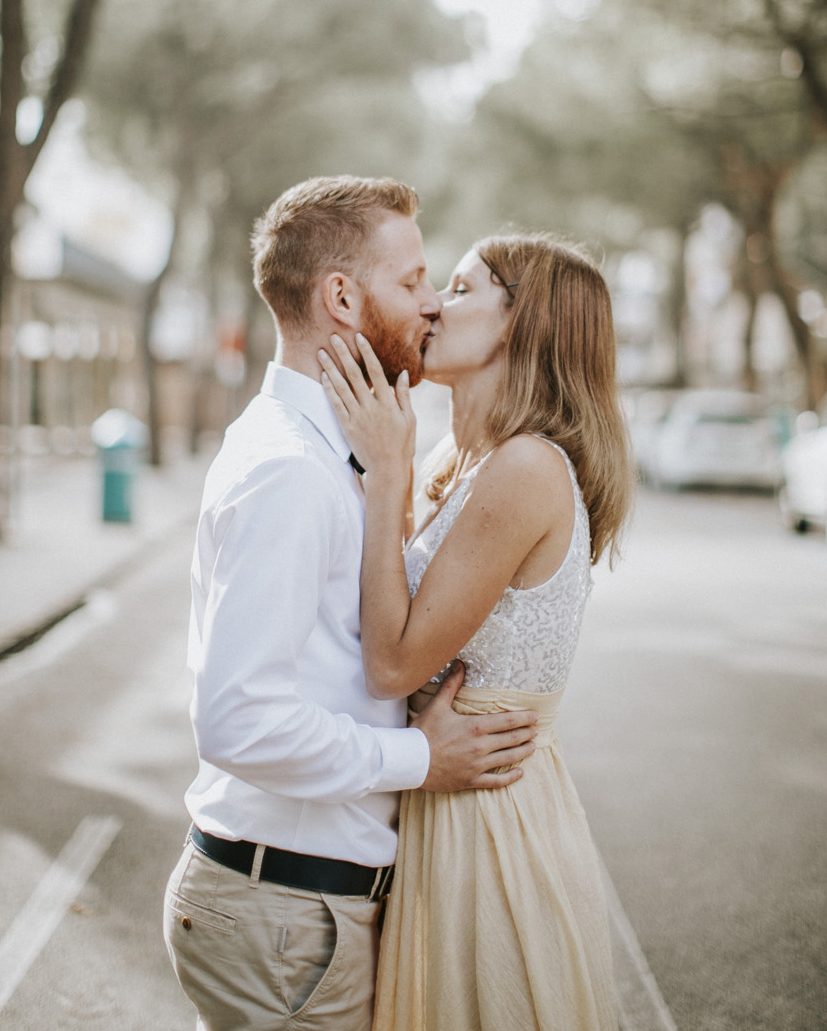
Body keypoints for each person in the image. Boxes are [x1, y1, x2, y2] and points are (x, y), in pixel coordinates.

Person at [163, 177, 540, 1031]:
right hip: (286, 915)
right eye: (410, 281)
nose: (431, 305)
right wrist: (418, 760)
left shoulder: (337, 456)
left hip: (297, 909)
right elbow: (237, 721)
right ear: (341, 296)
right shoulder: (291, 473)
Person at [319, 232, 635, 1031]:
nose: (430, 305)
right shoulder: (454, 460)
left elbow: (391, 663)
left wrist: (384, 471)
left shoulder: (527, 468)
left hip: (487, 819)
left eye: (458, 289)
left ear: (519, 325)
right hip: (440, 797)